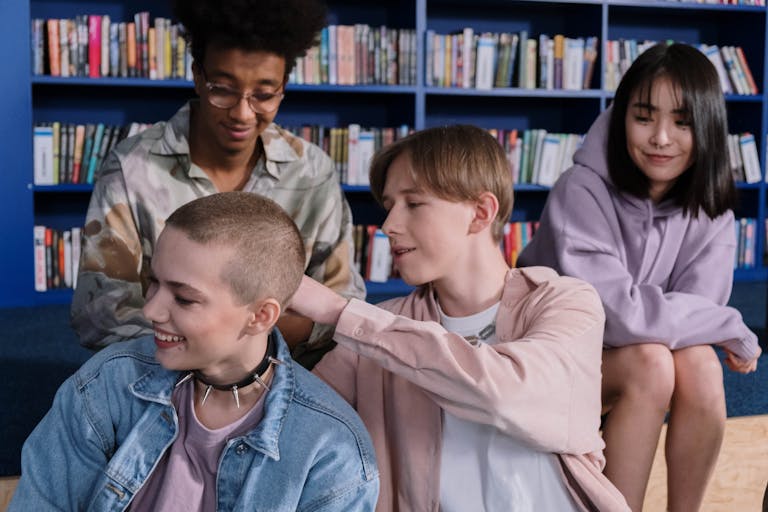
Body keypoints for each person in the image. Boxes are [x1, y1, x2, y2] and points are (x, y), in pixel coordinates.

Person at [288, 125, 630, 511]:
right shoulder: (371, 334)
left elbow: (507, 393)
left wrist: (336, 310)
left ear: (480, 213)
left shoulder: (566, 303)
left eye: (413, 204)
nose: (388, 226)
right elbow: (293, 419)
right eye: (389, 206)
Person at [10, 192, 379, 511]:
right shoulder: (104, 385)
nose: (151, 310)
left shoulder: (331, 451)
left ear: (261, 315)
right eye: (153, 282)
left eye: (184, 298)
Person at [518, 42, 761, 512]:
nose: (661, 138)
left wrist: (711, 322)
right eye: (644, 116)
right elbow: (616, 317)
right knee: (652, 360)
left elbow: (697, 320)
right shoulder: (580, 189)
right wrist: (730, 324)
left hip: (630, 356)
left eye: (683, 122)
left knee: (702, 365)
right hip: (548, 355)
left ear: (706, 127)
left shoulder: (711, 208)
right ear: (621, 115)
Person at [70, 0, 365, 367]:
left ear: (284, 87)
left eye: (264, 94)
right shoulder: (132, 168)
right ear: (197, 75)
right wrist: (233, 339)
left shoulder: (311, 170)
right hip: (164, 377)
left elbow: (345, 307)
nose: (243, 113)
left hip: (285, 374)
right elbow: (99, 315)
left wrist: (234, 341)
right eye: (222, 89)